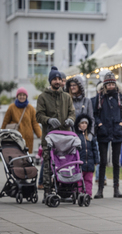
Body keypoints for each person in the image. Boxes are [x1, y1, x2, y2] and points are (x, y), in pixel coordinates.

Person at [36, 66, 75, 199]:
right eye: (55, 79)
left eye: (59, 79)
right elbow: (38, 116)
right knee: (48, 165)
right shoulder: (42, 97)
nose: (57, 81)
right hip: (49, 138)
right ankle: (47, 192)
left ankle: (64, 191)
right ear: (50, 81)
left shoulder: (67, 97)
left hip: (65, 138)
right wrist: (48, 120)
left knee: (65, 164)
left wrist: (70, 119)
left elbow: (72, 112)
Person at [93, 72, 122, 199]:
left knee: (116, 162)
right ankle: (100, 189)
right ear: (105, 85)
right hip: (103, 132)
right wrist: (100, 124)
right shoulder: (100, 97)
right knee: (102, 162)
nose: (111, 86)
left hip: (117, 131)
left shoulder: (120, 97)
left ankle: (116, 189)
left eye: (113, 84)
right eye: (109, 84)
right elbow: (95, 114)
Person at [1, 87, 42, 154]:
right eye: (20, 95)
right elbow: (5, 122)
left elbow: (35, 123)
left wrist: (40, 135)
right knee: (15, 157)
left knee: (26, 158)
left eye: (24, 95)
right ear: (17, 96)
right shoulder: (11, 107)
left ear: (26, 96)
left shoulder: (30, 108)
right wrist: (1, 134)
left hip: (28, 138)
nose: (22, 97)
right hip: (15, 138)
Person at [74, 114, 99, 198]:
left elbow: (95, 149)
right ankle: (79, 193)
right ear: (78, 124)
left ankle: (88, 194)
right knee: (79, 180)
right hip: (80, 163)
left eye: (86, 123)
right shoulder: (76, 136)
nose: (84, 125)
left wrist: (96, 160)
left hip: (90, 163)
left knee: (89, 180)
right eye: (82, 123)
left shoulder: (91, 136)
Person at [92, 81, 107, 186]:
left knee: (103, 157)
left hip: (105, 132)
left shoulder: (109, 101)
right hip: (95, 132)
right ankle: (99, 176)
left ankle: (100, 177)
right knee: (97, 155)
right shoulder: (93, 101)